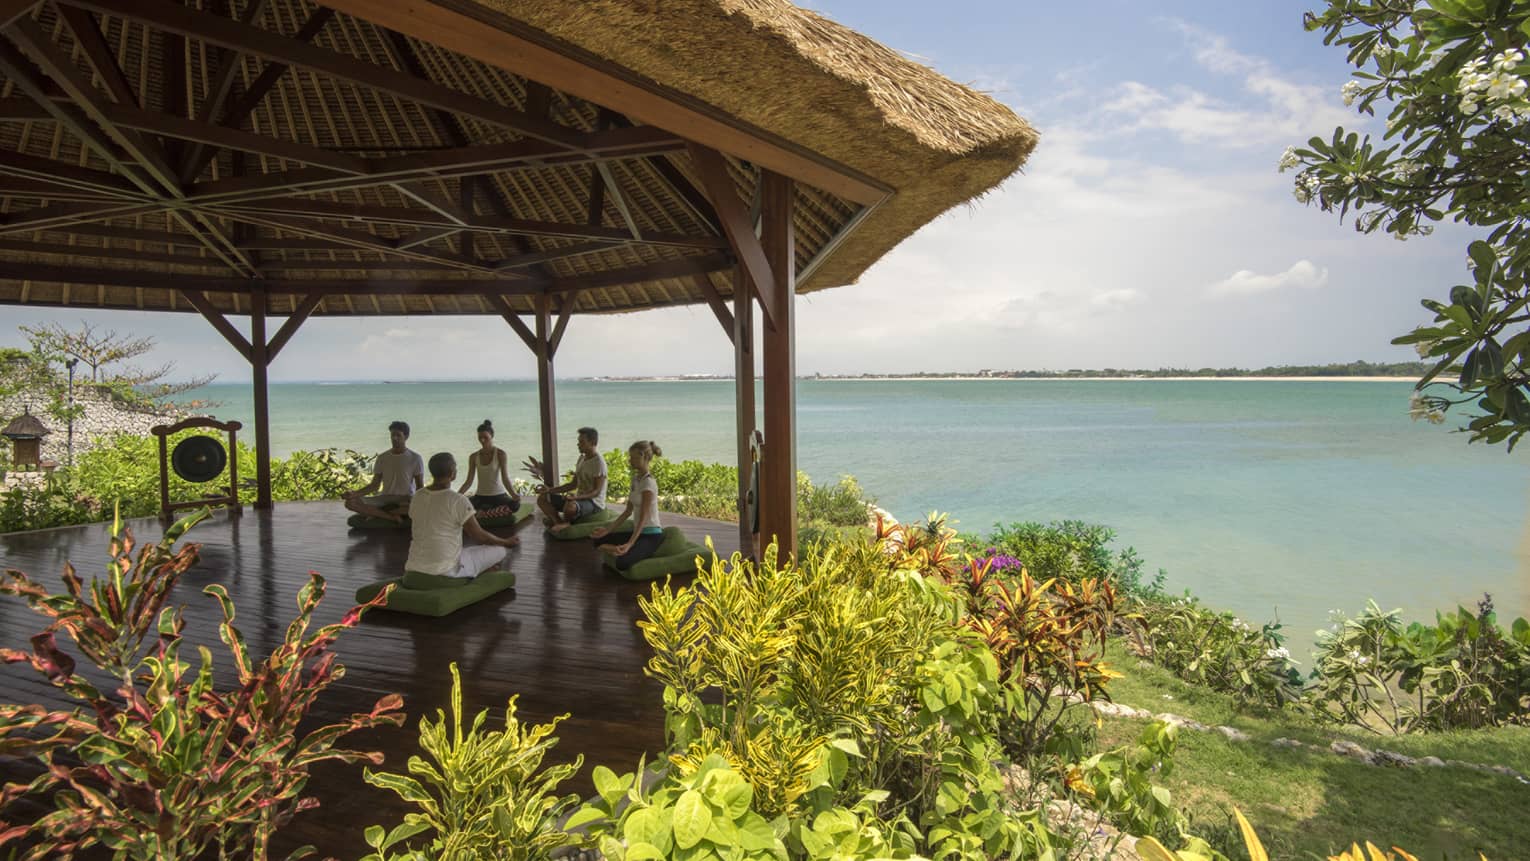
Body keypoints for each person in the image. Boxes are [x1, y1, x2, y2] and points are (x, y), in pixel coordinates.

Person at [406, 452, 520, 580]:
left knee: (469, 551)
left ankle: (478, 569)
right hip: (446, 570)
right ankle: (475, 573)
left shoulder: (417, 496)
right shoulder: (457, 500)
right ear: (452, 473)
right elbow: (479, 536)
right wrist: (506, 542)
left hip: (414, 565)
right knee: (500, 550)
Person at [591, 440, 665, 571]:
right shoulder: (635, 480)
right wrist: (608, 530)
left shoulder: (649, 483)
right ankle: (619, 550)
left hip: (651, 535)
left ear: (643, 456)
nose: (630, 460)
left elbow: (644, 516)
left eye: (633, 457)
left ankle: (625, 551)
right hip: (637, 532)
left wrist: (630, 543)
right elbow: (627, 511)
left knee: (622, 563)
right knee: (598, 540)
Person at [526, 426, 607, 533]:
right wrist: (549, 490)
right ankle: (558, 521)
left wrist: (577, 497)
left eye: (582, 442)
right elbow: (573, 484)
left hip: (594, 503)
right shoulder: (582, 459)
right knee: (542, 498)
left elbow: (596, 492)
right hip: (580, 498)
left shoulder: (599, 463)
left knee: (570, 507)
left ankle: (567, 523)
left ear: (592, 443)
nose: (578, 444)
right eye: (578, 441)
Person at [343, 420, 424, 523]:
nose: (394, 438)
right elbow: (374, 485)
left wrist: (415, 502)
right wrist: (354, 494)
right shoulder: (382, 458)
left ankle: (378, 513)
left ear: (406, 437)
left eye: (398, 435)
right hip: (384, 499)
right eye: (392, 435)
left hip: (405, 500)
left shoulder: (415, 458)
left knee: (413, 507)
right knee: (350, 503)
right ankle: (392, 517)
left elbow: (420, 487)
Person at [457, 419, 520, 517]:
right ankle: (490, 513)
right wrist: (457, 496)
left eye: (485, 437)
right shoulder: (473, 457)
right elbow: (469, 481)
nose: (482, 440)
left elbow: (505, 478)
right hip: (480, 497)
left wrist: (514, 495)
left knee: (515, 505)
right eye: (480, 437)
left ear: (492, 436)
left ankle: (482, 513)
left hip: (499, 496)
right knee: (463, 505)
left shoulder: (500, 454)